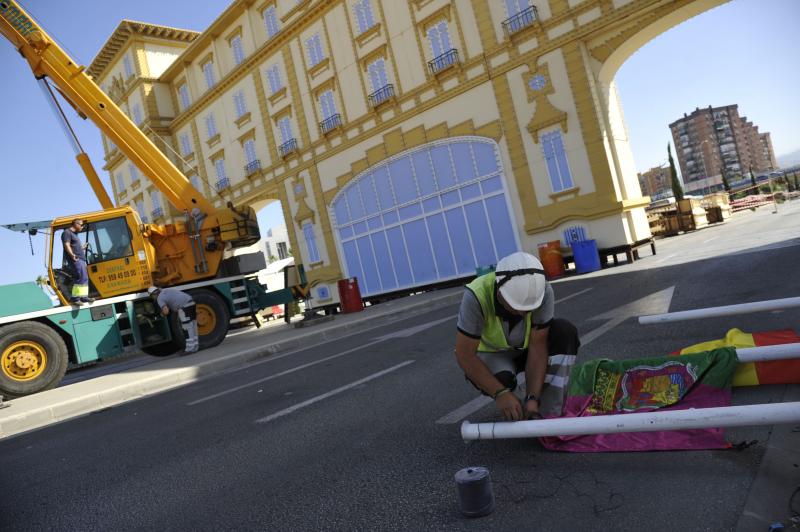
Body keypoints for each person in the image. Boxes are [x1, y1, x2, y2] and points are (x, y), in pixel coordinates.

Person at [454, 251, 580, 421]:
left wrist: (532, 399)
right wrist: (500, 393)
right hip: (493, 355)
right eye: (515, 306)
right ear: (499, 291)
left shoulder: (542, 291)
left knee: (564, 332)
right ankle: (513, 403)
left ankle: (548, 413)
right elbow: (464, 355)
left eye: (528, 309)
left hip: (528, 349)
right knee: (502, 382)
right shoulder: (476, 296)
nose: (522, 313)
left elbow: (538, 346)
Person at [147, 286, 199, 354]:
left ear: (153, 295)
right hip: (191, 302)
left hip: (184, 307)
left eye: (152, 297)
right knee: (193, 325)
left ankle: (190, 349)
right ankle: (195, 346)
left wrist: (161, 314)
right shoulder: (165, 290)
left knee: (187, 327)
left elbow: (166, 311)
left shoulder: (159, 298)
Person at [61, 218, 92, 305]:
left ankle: (83, 297)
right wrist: (72, 255)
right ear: (76, 224)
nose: (82, 227)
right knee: (80, 277)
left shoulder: (75, 235)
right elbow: (67, 245)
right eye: (81, 225)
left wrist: (82, 248)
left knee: (84, 278)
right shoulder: (67, 233)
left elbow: (74, 246)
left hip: (81, 259)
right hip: (76, 259)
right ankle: (75, 298)